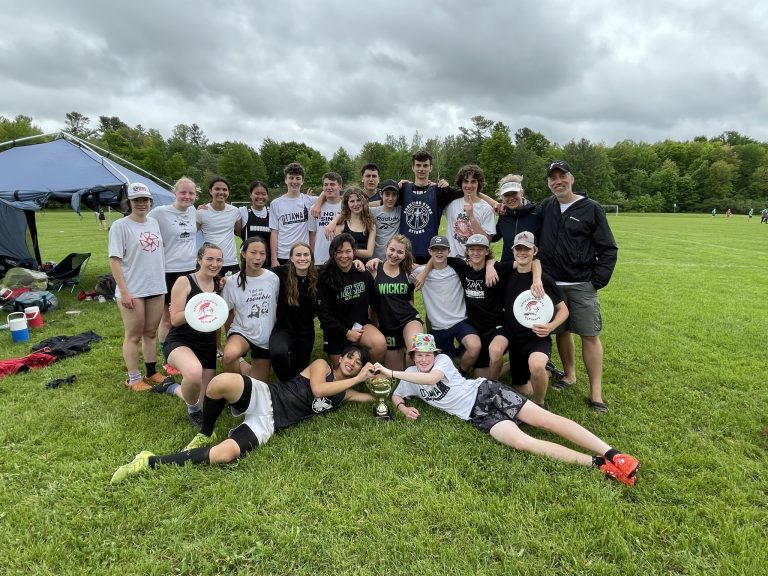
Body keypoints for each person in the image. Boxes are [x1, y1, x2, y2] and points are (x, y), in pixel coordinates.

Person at [378, 334, 639, 486]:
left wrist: (388, 371)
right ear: (412, 357)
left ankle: (614, 454)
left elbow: (432, 379)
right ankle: (600, 465)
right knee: (521, 442)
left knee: (545, 421)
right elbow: (397, 394)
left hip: (486, 392)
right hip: (476, 416)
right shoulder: (410, 375)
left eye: (427, 355)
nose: (423, 359)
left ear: (434, 355)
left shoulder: (443, 361)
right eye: (418, 355)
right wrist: (402, 408)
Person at [111, 345, 377, 483]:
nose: (353, 364)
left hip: (270, 423)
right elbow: (319, 389)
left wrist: (384, 382)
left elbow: (375, 397)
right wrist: (357, 379)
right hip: (269, 396)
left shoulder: (346, 393)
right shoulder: (322, 366)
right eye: (350, 358)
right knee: (220, 383)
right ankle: (205, 432)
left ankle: (149, 461)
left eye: (358, 363)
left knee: (225, 454)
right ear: (341, 358)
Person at [538, 161, 618, 412]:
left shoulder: (591, 208)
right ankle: (569, 374)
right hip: (552, 285)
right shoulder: (547, 206)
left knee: (589, 335)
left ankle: (596, 393)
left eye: (562, 176)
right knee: (561, 331)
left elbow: (608, 248)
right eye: (553, 178)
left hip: (582, 283)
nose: (557, 182)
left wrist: (596, 281)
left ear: (571, 179)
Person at [108, 182, 167, 391]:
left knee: (151, 332)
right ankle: (133, 378)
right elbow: (114, 260)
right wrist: (124, 291)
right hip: (133, 289)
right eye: (136, 200)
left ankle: (151, 372)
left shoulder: (154, 223)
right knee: (133, 334)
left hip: (156, 286)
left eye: (145, 200)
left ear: (150, 201)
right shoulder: (120, 226)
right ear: (129, 202)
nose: (141, 204)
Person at [502, 231, 568, 407]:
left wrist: (551, 326)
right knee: (523, 388)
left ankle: (540, 403)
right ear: (513, 250)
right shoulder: (506, 274)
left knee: (536, 367)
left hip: (536, 337)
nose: (522, 252)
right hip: (514, 340)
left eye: (527, 249)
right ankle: (529, 368)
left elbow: (563, 310)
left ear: (535, 250)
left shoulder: (543, 280)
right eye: (519, 248)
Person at [161, 243, 223, 427]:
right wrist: (200, 308)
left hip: (206, 345)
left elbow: (218, 319)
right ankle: (193, 410)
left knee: (205, 398)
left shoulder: (219, 283)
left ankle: (171, 387)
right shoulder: (184, 281)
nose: (214, 263)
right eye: (209, 259)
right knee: (194, 374)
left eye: (219, 259)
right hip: (181, 341)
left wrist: (218, 346)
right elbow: (175, 319)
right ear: (199, 260)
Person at [149, 176, 199, 372]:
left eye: (191, 193)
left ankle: (186, 352)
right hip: (168, 271)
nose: (187, 196)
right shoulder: (159, 213)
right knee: (168, 318)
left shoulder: (194, 211)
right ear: (174, 193)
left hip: (190, 271)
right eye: (183, 192)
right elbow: (142, 226)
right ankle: (167, 357)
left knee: (188, 316)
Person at [411, 235, 480, 376]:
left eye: (442, 249)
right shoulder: (419, 274)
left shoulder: (459, 268)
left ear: (448, 251)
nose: (439, 252)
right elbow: (397, 271)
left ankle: (462, 373)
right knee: (440, 364)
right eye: (435, 249)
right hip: (438, 327)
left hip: (460, 321)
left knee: (475, 347)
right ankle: (452, 356)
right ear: (429, 252)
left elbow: (482, 263)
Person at [317, 233, 386, 365]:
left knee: (379, 344)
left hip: (359, 327)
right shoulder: (324, 277)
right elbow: (324, 315)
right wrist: (347, 332)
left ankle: (368, 372)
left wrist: (374, 326)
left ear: (354, 252)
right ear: (333, 253)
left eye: (348, 251)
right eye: (339, 252)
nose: (344, 256)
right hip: (336, 331)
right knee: (342, 371)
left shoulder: (363, 274)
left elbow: (374, 304)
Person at [220, 236, 280, 381]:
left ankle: (242, 363)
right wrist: (229, 337)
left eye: (262, 253)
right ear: (243, 254)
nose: (258, 258)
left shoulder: (273, 278)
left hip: (265, 336)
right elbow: (226, 311)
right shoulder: (232, 282)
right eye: (253, 252)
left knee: (258, 383)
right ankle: (235, 392)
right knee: (229, 356)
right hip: (242, 332)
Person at [367, 234, 423, 371]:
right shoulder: (374, 269)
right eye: (392, 250)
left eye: (400, 252)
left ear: (405, 254)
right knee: (394, 373)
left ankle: (412, 383)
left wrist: (424, 273)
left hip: (408, 319)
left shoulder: (409, 270)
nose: (394, 255)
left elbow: (434, 264)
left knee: (415, 349)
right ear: (386, 248)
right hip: (387, 325)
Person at [398, 150, 462, 263]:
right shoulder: (403, 189)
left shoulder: (439, 190)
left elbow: (468, 190)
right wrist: (396, 185)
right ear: (412, 167)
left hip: (429, 254)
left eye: (425, 165)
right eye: (418, 165)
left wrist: (495, 204)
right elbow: (382, 199)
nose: (421, 169)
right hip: (403, 253)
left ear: (430, 168)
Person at [269, 242, 319, 382]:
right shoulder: (281, 273)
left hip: (305, 332)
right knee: (278, 354)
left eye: (306, 255)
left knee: (299, 373)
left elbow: (337, 267)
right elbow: (257, 273)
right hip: (283, 329)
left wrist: (357, 262)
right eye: (298, 255)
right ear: (291, 258)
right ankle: (285, 384)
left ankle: (292, 386)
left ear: (311, 257)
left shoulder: (318, 275)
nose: (302, 258)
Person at [443, 164, 496, 257]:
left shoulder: (486, 208)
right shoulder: (451, 204)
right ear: (461, 183)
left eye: (473, 182)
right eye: (466, 181)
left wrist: (471, 216)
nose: (469, 185)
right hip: (452, 261)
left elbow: (486, 240)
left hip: (474, 262)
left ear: (479, 183)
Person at [269, 162, 315, 267]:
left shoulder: (309, 201)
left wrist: (319, 203)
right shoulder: (276, 203)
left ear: (302, 181)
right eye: (291, 178)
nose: (294, 181)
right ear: (286, 180)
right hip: (283, 255)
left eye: (298, 178)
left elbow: (327, 195)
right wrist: (273, 258)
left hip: (303, 255)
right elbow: (274, 232)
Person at [196, 176, 242, 276]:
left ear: (228, 192)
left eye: (224, 189)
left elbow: (240, 233)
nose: (221, 192)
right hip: (210, 263)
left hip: (231, 262)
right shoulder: (201, 212)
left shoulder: (235, 211)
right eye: (217, 189)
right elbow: (190, 234)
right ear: (210, 191)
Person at [493, 175, 542, 262]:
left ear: (521, 193)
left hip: (530, 269)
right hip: (507, 269)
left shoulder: (537, 213)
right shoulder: (504, 215)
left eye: (514, 193)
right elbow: (494, 238)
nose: (511, 198)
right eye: (506, 195)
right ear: (502, 198)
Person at [309, 172, 343, 265]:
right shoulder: (314, 209)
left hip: (341, 259)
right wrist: (312, 256)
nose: (328, 187)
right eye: (325, 185)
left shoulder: (347, 207)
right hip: (319, 259)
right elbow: (312, 234)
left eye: (332, 184)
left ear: (340, 186)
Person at [335, 186, 377, 261]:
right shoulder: (341, 224)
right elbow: (338, 250)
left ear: (363, 201)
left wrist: (348, 251)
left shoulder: (370, 225)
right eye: (352, 201)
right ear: (347, 203)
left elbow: (369, 253)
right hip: (344, 266)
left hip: (363, 268)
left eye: (358, 200)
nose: (356, 204)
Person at [369, 179, 402, 260]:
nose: (390, 198)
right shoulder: (372, 211)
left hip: (393, 258)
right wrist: (334, 222)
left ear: (398, 196)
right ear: (381, 194)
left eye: (394, 195)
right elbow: (352, 208)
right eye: (387, 194)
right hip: (375, 258)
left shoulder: (400, 211)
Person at [239, 180, 271, 256]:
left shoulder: (272, 212)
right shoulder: (242, 211)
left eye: (264, 194)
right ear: (250, 195)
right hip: (249, 261)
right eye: (257, 193)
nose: (260, 197)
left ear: (267, 196)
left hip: (268, 261)